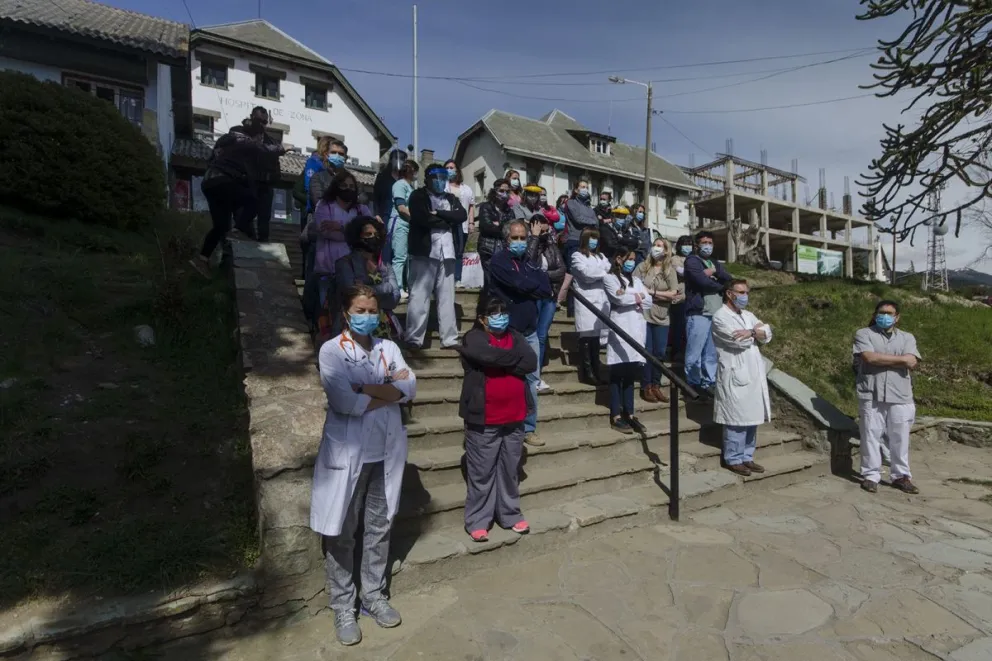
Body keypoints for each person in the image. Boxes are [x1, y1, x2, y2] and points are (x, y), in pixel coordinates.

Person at [310, 284, 417, 647]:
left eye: (372, 310)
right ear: (346, 312)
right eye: (360, 310)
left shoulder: (389, 348)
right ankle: (343, 605)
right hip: (348, 456)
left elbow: (411, 387)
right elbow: (342, 401)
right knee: (341, 532)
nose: (367, 316)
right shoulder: (331, 351)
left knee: (379, 528)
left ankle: (373, 595)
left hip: (384, 454)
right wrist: (389, 389)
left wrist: (366, 388)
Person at [457, 298, 537, 542]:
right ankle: (478, 520)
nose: (500, 317)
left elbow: (531, 362)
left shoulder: (516, 337)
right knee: (482, 472)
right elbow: (485, 356)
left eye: (503, 312)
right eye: (493, 313)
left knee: (509, 470)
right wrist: (512, 361)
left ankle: (510, 514)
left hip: (515, 416)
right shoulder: (474, 337)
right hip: (485, 418)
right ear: (482, 318)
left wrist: (499, 361)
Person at [191, 111, 285, 278]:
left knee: (220, 225)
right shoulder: (242, 139)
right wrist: (282, 148)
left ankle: (202, 258)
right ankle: (237, 230)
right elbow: (262, 149)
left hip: (210, 183)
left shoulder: (224, 140)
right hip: (225, 181)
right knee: (254, 201)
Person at [489, 218, 554, 447]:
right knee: (505, 379)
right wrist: (530, 284)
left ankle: (528, 427)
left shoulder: (530, 261)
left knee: (531, 379)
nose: (519, 242)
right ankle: (503, 426)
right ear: (507, 240)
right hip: (507, 330)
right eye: (514, 238)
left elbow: (546, 287)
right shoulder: (498, 261)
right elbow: (517, 284)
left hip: (530, 331)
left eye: (523, 238)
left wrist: (529, 284)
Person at [853, 300, 921, 494]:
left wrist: (882, 359)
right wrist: (900, 360)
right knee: (870, 435)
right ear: (875, 315)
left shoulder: (907, 337)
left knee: (900, 438)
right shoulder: (863, 334)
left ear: (897, 317)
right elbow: (869, 358)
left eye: (890, 313)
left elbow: (912, 362)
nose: (885, 316)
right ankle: (871, 475)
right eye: (881, 312)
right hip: (871, 393)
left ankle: (901, 476)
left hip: (900, 395)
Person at [403, 163, 467, 350]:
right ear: (427, 179)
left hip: (447, 252)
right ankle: (414, 338)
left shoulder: (451, 198)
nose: (440, 181)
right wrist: (448, 220)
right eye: (436, 178)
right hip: (425, 252)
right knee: (419, 295)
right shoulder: (418, 196)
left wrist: (439, 213)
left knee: (447, 296)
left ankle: (449, 338)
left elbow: (461, 215)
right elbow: (422, 218)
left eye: (443, 178)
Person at [711, 279, 772, 476]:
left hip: (753, 373)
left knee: (751, 418)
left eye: (747, 292)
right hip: (735, 372)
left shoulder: (748, 315)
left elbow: (767, 333)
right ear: (729, 293)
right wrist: (756, 334)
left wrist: (752, 332)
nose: (745, 296)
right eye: (741, 292)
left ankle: (747, 456)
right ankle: (733, 458)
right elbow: (737, 340)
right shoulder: (720, 317)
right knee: (736, 418)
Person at [303, 171, 372, 340]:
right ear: (336, 186)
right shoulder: (324, 205)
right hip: (327, 270)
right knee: (328, 313)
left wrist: (340, 227)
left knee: (353, 312)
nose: (348, 189)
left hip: (354, 271)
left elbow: (369, 231)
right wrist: (354, 233)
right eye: (344, 185)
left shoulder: (361, 209)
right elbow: (326, 232)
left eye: (351, 186)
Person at [604, 249, 652, 434]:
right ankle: (616, 415)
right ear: (618, 259)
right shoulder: (610, 279)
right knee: (618, 371)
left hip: (637, 328)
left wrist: (635, 298)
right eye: (629, 259)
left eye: (633, 259)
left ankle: (629, 413)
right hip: (621, 327)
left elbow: (649, 301)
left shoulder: (637, 280)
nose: (631, 262)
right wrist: (637, 298)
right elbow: (618, 298)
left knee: (631, 373)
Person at [333, 217, 400, 338]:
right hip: (355, 328)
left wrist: (367, 289)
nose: (374, 237)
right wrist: (387, 288)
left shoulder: (386, 265)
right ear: (357, 237)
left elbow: (394, 299)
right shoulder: (345, 264)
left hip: (384, 329)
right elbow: (353, 297)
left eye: (376, 234)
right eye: (368, 234)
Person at [683, 231, 732, 397]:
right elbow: (701, 281)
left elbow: (728, 278)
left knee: (711, 353)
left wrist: (715, 276)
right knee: (694, 353)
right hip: (699, 313)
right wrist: (719, 284)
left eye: (710, 242)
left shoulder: (714, 262)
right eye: (704, 242)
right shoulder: (692, 261)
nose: (707, 246)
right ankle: (693, 384)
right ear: (696, 245)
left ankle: (708, 382)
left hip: (715, 313)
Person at [633, 238, 681, 403]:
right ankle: (646, 386)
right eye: (655, 245)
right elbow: (636, 288)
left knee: (660, 352)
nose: (656, 248)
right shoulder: (643, 267)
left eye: (660, 246)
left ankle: (656, 385)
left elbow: (673, 293)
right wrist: (662, 294)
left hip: (662, 316)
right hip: (644, 315)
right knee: (648, 351)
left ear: (667, 251)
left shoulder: (669, 270)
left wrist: (652, 293)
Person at [301, 138, 349, 279]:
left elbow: (362, 199)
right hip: (321, 228)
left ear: (346, 157)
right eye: (334, 152)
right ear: (327, 155)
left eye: (341, 154)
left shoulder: (351, 180)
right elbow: (319, 200)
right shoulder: (318, 177)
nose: (337, 156)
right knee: (315, 274)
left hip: (343, 233)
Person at [232, 107, 281, 242]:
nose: (262, 124)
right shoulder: (239, 132)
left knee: (264, 219)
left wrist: (272, 178)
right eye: (258, 120)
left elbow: (276, 166)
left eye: (264, 122)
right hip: (244, 184)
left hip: (264, 186)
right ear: (251, 117)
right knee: (242, 218)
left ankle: (262, 242)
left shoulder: (271, 141)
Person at [570, 228, 610, 386]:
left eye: (596, 238)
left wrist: (602, 272)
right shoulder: (576, 256)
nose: (594, 241)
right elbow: (586, 275)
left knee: (596, 337)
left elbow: (610, 269)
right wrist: (603, 272)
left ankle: (596, 368)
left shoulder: (601, 256)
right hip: (586, 301)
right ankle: (587, 372)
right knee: (586, 336)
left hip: (601, 300)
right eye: (591, 238)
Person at [533, 211, 566, 391]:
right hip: (534, 296)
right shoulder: (530, 244)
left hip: (549, 296)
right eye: (539, 225)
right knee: (532, 334)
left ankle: (537, 375)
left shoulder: (552, 247)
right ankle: (530, 373)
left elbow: (561, 269)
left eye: (546, 226)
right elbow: (529, 266)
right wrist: (534, 239)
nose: (544, 230)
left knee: (542, 335)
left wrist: (543, 275)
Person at [558, 181, 598, 310]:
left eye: (587, 187)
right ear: (575, 190)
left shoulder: (589, 207)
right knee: (572, 273)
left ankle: (581, 303)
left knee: (583, 274)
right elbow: (578, 219)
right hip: (574, 240)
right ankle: (567, 304)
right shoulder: (570, 203)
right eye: (582, 187)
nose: (585, 189)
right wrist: (592, 221)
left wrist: (593, 221)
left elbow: (596, 222)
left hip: (586, 242)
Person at [388, 160, 419, 295]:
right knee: (399, 257)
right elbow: (401, 207)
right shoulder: (400, 185)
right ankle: (397, 288)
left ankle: (404, 286)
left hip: (408, 224)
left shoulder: (410, 187)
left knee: (406, 257)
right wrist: (417, 219)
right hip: (400, 223)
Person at [444, 159, 475, 286]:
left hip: (462, 225)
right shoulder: (443, 186)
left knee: (459, 251)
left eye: (452, 167)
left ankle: (457, 278)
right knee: (446, 251)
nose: (449, 170)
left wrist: (471, 223)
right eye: (447, 168)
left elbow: (471, 206)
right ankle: (446, 278)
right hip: (446, 224)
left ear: (457, 170)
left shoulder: (466, 188)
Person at [475, 179, 515, 273]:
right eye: (501, 191)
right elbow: (487, 227)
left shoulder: (510, 211)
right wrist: (503, 225)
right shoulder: (485, 206)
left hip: (504, 248)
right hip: (487, 247)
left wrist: (498, 224)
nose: (504, 193)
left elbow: (511, 229)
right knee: (489, 277)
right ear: (495, 191)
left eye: (507, 191)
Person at [668, 235, 694, 360]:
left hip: (691, 298)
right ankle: (676, 352)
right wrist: (698, 272)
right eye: (685, 244)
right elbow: (683, 272)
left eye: (690, 244)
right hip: (679, 298)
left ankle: (685, 351)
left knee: (688, 327)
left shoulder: (694, 259)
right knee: (678, 326)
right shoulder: (675, 259)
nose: (687, 246)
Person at [374, 149, 407, 222]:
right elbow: (376, 197)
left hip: (400, 219)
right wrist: (376, 214)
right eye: (396, 158)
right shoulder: (382, 177)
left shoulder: (404, 181)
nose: (399, 161)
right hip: (385, 217)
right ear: (391, 160)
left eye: (402, 159)